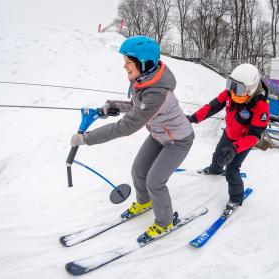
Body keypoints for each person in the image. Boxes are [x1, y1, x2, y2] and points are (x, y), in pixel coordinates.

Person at [70, 36, 194, 241]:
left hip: (178, 141)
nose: (124, 65)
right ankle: (145, 202)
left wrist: (86, 139)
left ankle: (166, 222)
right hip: (159, 134)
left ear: (144, 63)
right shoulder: (144, 80)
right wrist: (112, 106)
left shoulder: (156, 93)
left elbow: (127, 126)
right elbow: (137, 106)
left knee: (155, 181)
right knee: (138, 171)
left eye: (129, 61)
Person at [186, 63, 269, 217]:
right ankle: (216, 169)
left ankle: (236, 198)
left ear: (250, 89)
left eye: (237, 87)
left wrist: (235, 148)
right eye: (231, 84)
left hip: (243, 142)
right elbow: (212, 107)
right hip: (229, 134)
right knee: (218, 155)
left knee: (232, 170)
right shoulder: (230, 93)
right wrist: (193, 118)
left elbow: (255, 136)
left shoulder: (260, 106)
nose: (232, 90)